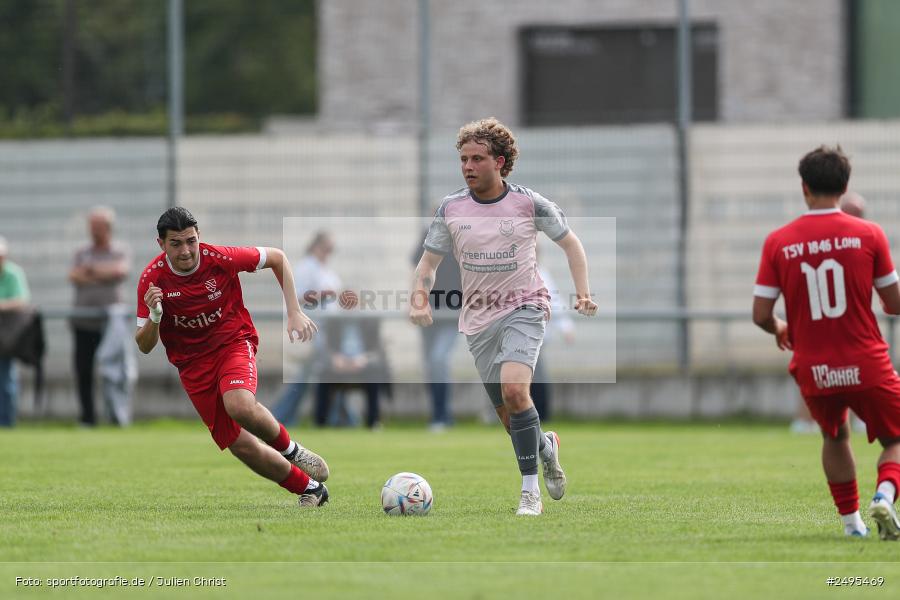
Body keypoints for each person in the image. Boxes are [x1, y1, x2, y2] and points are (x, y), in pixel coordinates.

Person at [410, 117, 598, 516]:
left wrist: (583, 293)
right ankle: (545, 447)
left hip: (525, 307)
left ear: (500, 162)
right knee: (511, 418)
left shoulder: (529, 204)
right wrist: (419, 299)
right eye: (463, 159)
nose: (468, 166)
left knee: (515, 392)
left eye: (477, 159)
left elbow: (571, 244)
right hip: (478, 320)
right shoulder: (451, 208)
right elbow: (427, 263)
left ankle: (530, 492)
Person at [135, 207, 330, 508]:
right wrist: (156, 317)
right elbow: (144, 345)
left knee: (238, 404)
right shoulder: (152, 280)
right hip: (192, 365)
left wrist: (293, 311)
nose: (186, 251)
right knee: (241, 446)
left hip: (233, 343)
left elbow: (277, 258)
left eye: (191, 241)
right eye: (176, 243)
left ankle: (293, 451)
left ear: (199, 236)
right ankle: (311, 489)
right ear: (161, 244)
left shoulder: (220, 258)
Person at [753, 146, 900, 540]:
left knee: (835, 435)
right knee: (896, 439)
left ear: (804, 187)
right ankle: (885, 496)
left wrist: (780, 327)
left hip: (814, 366)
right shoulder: (869, 234)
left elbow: (760, 314)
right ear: (845, 187)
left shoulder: (779, 241)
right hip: (866, 361)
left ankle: (852, 525)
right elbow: (894, 304)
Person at [789, 191, 868, 435]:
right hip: (819, 317)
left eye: (859, 213)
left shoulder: (863, 240)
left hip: (851, 319)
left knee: (858, 367)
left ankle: (861, 417)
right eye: (851, 212)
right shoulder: (825, 239)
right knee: (813, 368)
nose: (855, 216)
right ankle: (806, 420)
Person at [68, 207, 132, 426]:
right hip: (83, 323)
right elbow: (74, 276)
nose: (93, 230)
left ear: (108, 228)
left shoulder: (120, 250)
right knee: (84, 371)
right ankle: (88, 418)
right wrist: (104, 274)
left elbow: (119, 272)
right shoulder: (81, 252)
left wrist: (90, 270)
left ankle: (116, 416)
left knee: (114, 371)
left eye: (98, 226)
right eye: (91, 226)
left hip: (111, 325)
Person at [271, 231, 341, 425]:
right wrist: (322, 295)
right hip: (312, 330)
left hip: (328, 331)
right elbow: (296, 298)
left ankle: (281, 417)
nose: (329, 253)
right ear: (316, 246)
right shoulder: (306, 268)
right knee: (312, 377)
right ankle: (279, 417)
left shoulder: (325, 270)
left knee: (319, 376)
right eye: (326, 248)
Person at [411, 229, 462, 431]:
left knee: (438, 359)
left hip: (453, 313)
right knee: (431, 366)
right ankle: (438, 415)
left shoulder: (461, 235)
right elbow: (416, 270)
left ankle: (443, 415)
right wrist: (414, 301)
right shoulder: (428, 235)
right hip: (428, 312)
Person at [0, 236, 31, 427]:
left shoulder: (13, 273)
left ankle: (6, 421)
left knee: (6, 379)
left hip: (6, 336)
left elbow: (21, 300)